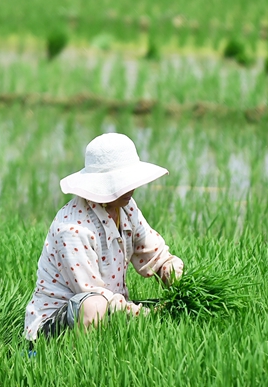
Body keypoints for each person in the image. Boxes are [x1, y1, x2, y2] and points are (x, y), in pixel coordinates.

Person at [23, 133, 185, 342]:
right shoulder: (73, 228)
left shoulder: (126, 207)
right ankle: (80, 363)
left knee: (173, 312)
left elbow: (154, 255)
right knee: (95, 305)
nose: (132, 189)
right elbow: (93, 293)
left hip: (109, 309)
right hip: (57, 324)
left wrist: (170, 270)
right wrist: (143, 315)